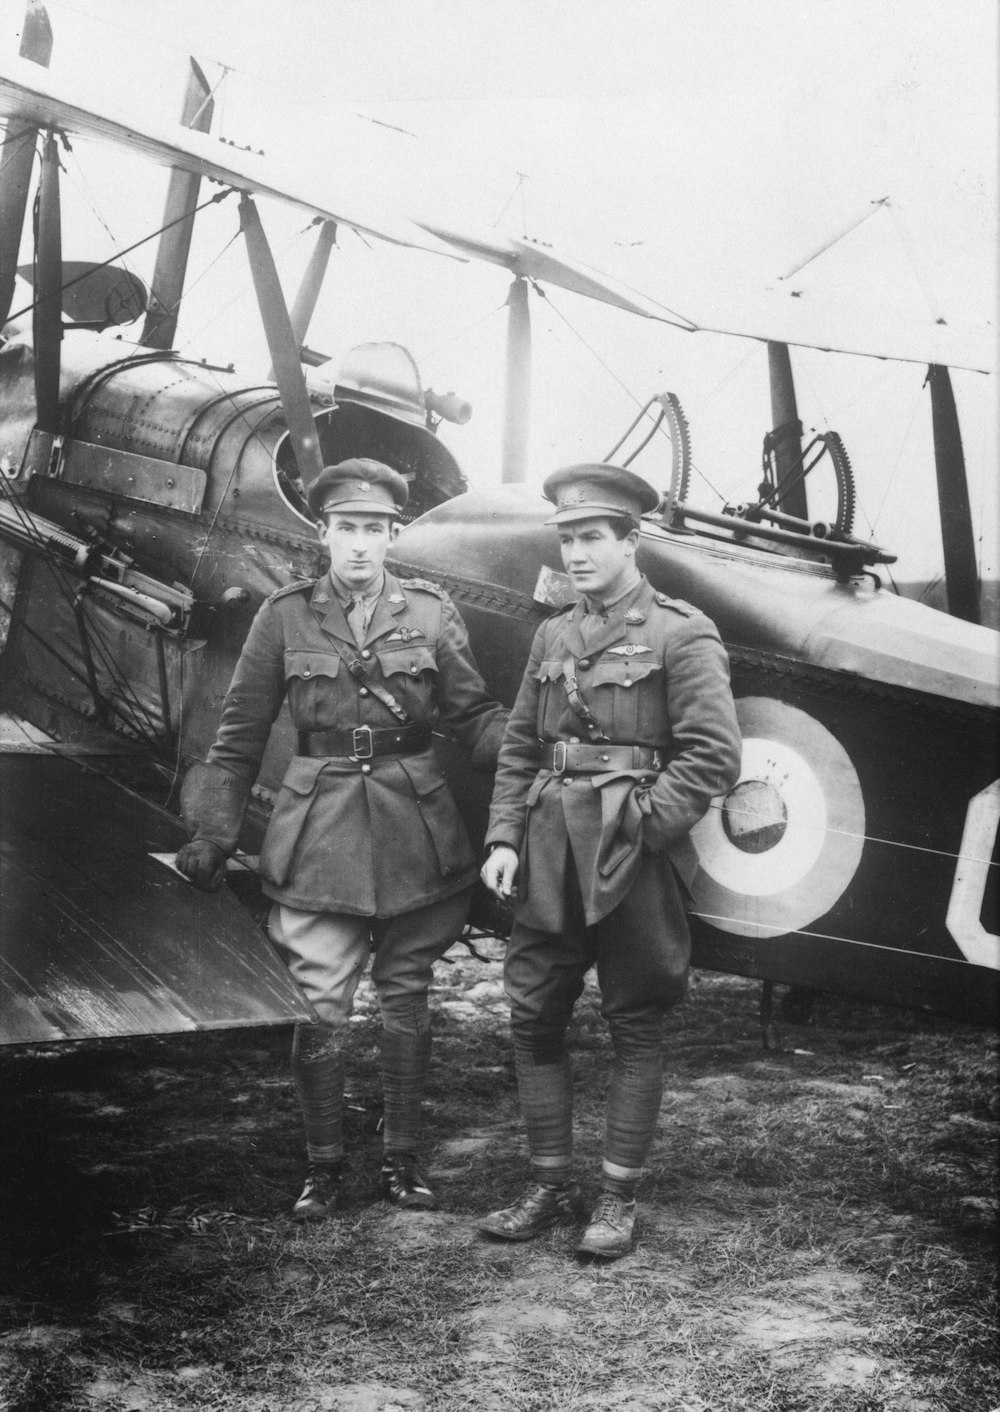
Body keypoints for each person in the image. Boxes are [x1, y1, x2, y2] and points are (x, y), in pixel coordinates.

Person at [176, 458, 507, 1221]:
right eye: (347, 529)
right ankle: (322, 1169)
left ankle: (405, 1162)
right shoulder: (284, 616)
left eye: (375, 530)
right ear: (323, 532)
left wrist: (548, 756)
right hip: (317, 829)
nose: (360, 545)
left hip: (417, 831)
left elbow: (474, 717)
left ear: (394, 536)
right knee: (321, 1002)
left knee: (407, 997)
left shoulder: (430, 612)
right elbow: (237, 737)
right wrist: (215, 832)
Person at [479, 461, 742, 1259]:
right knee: (533, 1014)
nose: (579, 553)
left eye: (594, 537)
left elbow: (711, 756)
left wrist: (644, 831)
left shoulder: (680, 631)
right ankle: (551, 1184)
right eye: (568, 538)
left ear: (632, 540)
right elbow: (523, 744)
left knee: (635, 1019)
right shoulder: (553, 633)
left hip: (632, 856)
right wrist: (502, 837)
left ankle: (617, 1198)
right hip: (552, 850)